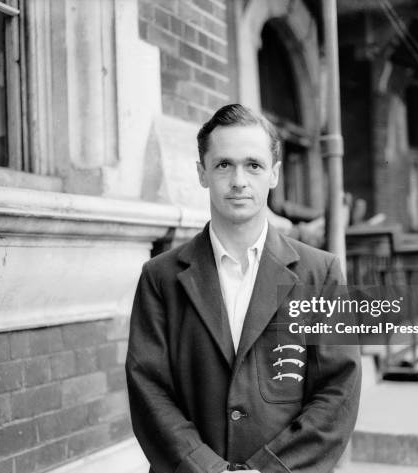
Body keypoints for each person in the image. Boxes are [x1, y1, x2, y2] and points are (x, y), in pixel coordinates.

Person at [126, 104, 361, 473]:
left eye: (253, 165)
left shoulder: (322, 274)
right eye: (223, 165)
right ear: (202, 174)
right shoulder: (160, 278)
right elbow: (149, 390)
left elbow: (337, 393)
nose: (238, 180)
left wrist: (270, 470)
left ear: (274, 174)